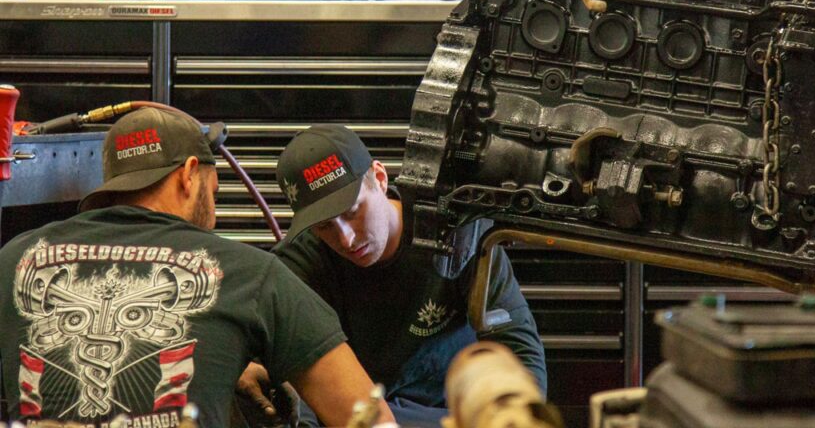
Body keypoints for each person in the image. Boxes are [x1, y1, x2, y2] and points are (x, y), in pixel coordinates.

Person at [0, 108, 394, 427]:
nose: (214, 216)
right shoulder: (254, 274)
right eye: (215, 192)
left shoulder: (13, 259)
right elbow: (370, 420)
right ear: (189, 175)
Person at [240, 124, 546, 427]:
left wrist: (518, 419)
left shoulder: (457, 234)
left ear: (380, 178)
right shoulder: (299, 264)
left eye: (352, 211)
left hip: (451, 414)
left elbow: (518, 347)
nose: (346, 239)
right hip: (355, 415)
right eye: (324, 226)